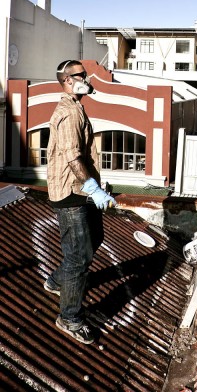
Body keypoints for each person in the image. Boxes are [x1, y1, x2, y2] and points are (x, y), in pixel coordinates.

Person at [45, 59, 116, 344]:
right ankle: (70, 318)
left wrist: (93, 188)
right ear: (67, 80)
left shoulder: (76, 107)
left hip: (82, 189)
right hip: (71, 192)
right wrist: (93, 188)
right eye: (81, 75)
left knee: (95, 238)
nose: (86, 79)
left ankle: (56, 281)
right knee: (78, 257)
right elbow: (73, 157)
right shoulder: (69, 113)